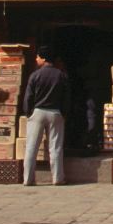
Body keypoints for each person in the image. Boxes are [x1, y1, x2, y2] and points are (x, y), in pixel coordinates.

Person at [22, 45, 69, 186]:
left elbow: (28, 97)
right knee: (55, 147)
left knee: (31, 147)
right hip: (55, 113)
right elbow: (66, 97)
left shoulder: (35, 75)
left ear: (43, 58)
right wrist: (64, 113)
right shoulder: (61, 75)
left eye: (37, 57)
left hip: (37, 112)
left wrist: (28, 113)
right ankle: (58, 178)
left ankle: (28, 179)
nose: (36, 59)